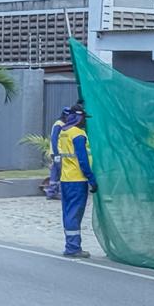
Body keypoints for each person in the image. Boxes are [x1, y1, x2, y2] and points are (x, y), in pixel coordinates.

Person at [57, 102, 97, 258]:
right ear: (78, 118)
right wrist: (92, 179)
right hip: (77, 179)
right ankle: (73, 248)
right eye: (83, 118)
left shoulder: (64, 131)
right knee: (75, 213)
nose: (85, 121)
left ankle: (70, 244)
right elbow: (83, 160)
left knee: (68, 212)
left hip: (66, 178)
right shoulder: (78, 134)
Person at [44, 106, 71, 200]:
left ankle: (51, 192)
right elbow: (54, 139)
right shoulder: (59, 124)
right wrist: (56, 154)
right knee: (60, 172)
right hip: (57, 153)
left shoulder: (64, 124)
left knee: (55, 172)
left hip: (59, 153)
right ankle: (57, 192)